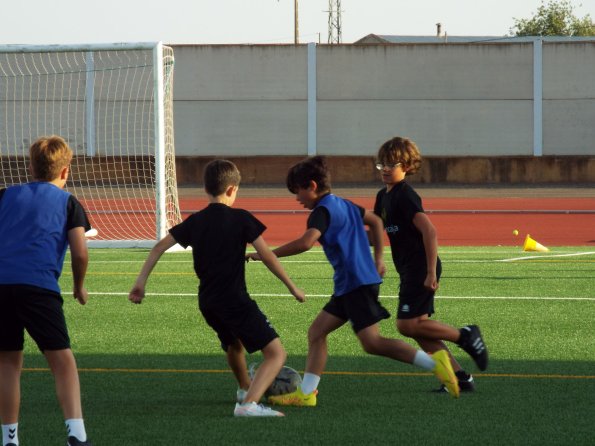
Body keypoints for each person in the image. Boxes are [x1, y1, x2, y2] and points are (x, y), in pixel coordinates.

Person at [246, 156, 460, 406]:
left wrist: (266, 254)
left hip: (356, 283)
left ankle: (434, 363)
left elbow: (306, 242)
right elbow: (376, 221)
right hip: (351, 283)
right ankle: (306, 394)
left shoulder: (321, 212)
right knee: (316, 332)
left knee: (372, 343)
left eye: (298, 192)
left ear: (312, 186)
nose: (297, 199)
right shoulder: (342, 203)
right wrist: (379, 258)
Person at [128, 159, 305, 417]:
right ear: (232, 189)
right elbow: (267, 256)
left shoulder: (196, 221)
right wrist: (292, 287)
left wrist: (141, 282)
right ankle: (248, 405)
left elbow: (158, 247)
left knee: (233, 345)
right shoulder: (242, 218)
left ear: (206, 188)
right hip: (234, 300)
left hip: (208, 302)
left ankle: (245, 388)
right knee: (276, 353)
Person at [373, 136, 488, 394]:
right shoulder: (383, 197)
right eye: (382, 164)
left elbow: (430, 231)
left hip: (420, 266)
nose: (386, 169)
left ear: (407, 166)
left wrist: (429, 271)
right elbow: (378, 232)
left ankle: (465, 335)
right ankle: (460, 378)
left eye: (393, 164)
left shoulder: (405, 195)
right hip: (408, 268)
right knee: (419, 330)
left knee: (406, 324)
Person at [0, 136, 93, 446]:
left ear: (30, 167)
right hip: (38, 287)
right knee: (62, 360)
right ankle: (76, 435)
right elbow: (80, 253)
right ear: (65, 171)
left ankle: (9, 439)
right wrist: (78, 286)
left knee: (8, 362)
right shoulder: (68, 202)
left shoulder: (4, 196)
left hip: (1, 286)